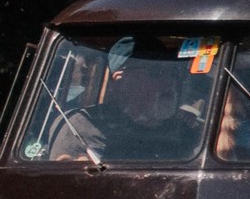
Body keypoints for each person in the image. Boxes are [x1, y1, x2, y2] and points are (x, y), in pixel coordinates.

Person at [49, 61, 199, 162]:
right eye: (156, 72)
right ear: (121, 81)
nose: (170, 81)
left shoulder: (184, 132)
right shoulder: (80, 125)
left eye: (175, 73)